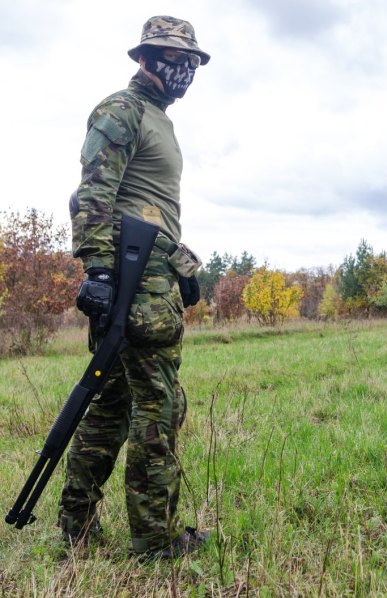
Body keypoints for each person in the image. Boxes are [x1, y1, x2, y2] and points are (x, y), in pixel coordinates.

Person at [60, 15, 209, 559]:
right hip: (132, 287)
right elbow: (93, 195)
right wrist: (97, 271)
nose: (184, 70)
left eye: (191, 62)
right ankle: (155, 541)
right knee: (159, 406)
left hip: (153, 275)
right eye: (174, 58)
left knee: (111, 406)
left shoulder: (158, 120)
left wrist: (183, 269)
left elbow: (151, 211)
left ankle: (74, 527)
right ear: (144, 57)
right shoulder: (120, 110)